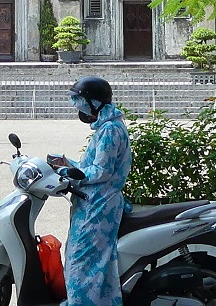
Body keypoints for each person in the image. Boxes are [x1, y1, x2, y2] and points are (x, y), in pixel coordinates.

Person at [64, 76, 132, 306]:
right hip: (93, 200)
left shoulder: (111, 130)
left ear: (94, 102)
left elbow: (101, 172)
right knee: (81, 259)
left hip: (100, 204)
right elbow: (96, 167)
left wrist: (72, 173)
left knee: (84, 263)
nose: (77, 106)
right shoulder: (106, 126)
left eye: (79, 100)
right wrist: (69, 166)